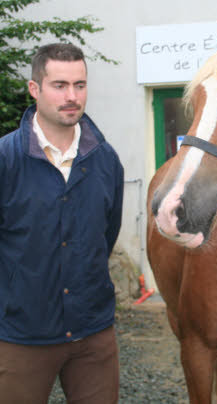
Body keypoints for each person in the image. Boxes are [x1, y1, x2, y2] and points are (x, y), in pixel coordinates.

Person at [0, 43, 124, 403]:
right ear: (34, 89)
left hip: (93, 336)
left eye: (80, 85)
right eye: (60, 85)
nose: (72, 96)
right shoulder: (6, 161)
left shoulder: (105, 160)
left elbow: (107, 233)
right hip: (21, 337)